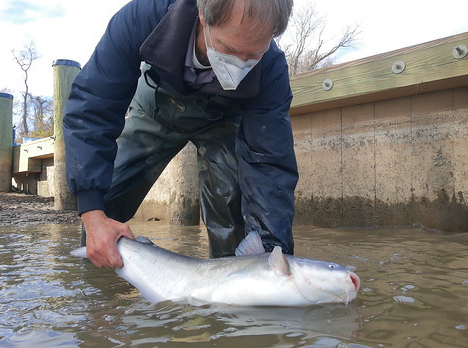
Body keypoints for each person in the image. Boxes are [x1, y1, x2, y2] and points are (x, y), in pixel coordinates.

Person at [63, 0, 298, 268]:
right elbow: (94, 106)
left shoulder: (272, 69)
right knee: (106, 198)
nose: (240, 64)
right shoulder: (145, 16)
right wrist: (93, 215)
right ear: (202, 14)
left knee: (231, 214)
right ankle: (96, 288)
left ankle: (229, 304)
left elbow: (268, 163)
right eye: (229, 50)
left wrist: (274, 259)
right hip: (155, 109)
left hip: (222, 120)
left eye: (253, 56)